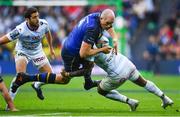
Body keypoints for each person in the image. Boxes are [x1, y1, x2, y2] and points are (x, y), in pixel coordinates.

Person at [10, 36, 173, 111]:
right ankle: (164, 98)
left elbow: (87, 67)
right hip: (127, 63)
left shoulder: (91, 50)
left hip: (117, 72)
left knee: (101, 90)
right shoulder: (103, 37)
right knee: (143, 82)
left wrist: (70, 74)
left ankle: (130, 101)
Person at [0, 7, 55, 101]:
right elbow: (4, 39)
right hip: (22, 51)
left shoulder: (44, 24)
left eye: (37, 16)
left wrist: (51, 48)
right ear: (27, 19)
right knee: (20, 76)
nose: (37, 19)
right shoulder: (20, 30)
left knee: (51, 75)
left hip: (37, 52)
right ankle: (10, 104)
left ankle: (36, 85)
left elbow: (48, 33)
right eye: (34, 17)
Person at [60, 8, 117, 91]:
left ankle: (88, 83)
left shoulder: (98, 16)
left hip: (72, 46)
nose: (108, 26)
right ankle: (40, 81)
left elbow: (109, 25)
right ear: (102, 19)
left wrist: (115, 39)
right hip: (71, 53)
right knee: (64, 79)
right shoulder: (93, 28)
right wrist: (102, 49)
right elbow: (83, 53)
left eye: (111, 24)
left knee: (90, 63)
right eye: (107, 23)